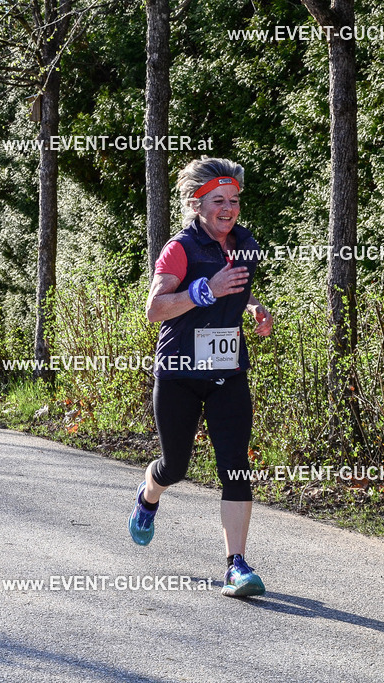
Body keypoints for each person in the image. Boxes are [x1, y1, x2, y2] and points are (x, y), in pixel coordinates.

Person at [129, 156, 273, 597]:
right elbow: (156, 309)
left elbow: (235, 292)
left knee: (236, 467)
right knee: (175, 466)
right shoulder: (180, 248)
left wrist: (251, 308)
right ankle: (148, 495)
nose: (228, 209)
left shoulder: (246, 244)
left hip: (228, 372)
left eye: (234, 200)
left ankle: (236, 565)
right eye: (217, 201)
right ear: (196, 204)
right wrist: (204, 290)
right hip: (179, 373)